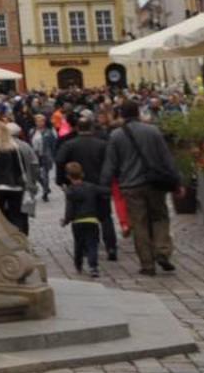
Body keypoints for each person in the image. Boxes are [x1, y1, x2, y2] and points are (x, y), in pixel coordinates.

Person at [104, 99, 180, 277]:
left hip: (130, 186)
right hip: (154, 183)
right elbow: (166, 158)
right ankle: (162, 250)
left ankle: (147, 264)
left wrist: (104, 186)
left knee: (139, 224)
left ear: (121, 114)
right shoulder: (152, 131)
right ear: (138, 112)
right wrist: (176, 182)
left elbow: (111, 164)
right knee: (160, 217)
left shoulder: (116, 136)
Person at [55, 113, 118, 262]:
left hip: (78, 186)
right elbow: (110, 163)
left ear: (77, 128)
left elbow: (59, 161)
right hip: (99, 185)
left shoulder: (69, 145)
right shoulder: (102, 144)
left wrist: (62, 180)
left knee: (80, 216)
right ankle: (111, 247)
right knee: (105, 217)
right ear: (91, 128)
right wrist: (107, 181)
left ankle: (84, 247)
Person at [0, 119, 30, 235]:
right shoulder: (15, 148)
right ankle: (20, 239)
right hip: (15, 186)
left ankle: (3, 240)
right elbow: (21, 166)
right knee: (17, 215)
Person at [61, 162, 109, 278]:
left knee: (78, 245)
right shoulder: (91, 187)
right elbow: (105, 191)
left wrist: (66, 220)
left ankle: (78, 264)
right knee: (92, 244)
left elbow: (69, 210)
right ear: (82, 174)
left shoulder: (70, 191)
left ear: (68, 176)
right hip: (92, 220)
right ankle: (93, 267)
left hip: (77, 223)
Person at [29, 115, 58, 200]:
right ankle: (45, 186)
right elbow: (30, 142)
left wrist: (53, 155)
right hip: (35, 155)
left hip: (46, 155)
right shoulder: (32, 131)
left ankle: (45, 193)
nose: (39, 123)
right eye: (37, 121)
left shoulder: (49, 132)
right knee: (37, 174)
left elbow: (53, 144)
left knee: (45, 174)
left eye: (41, 121)